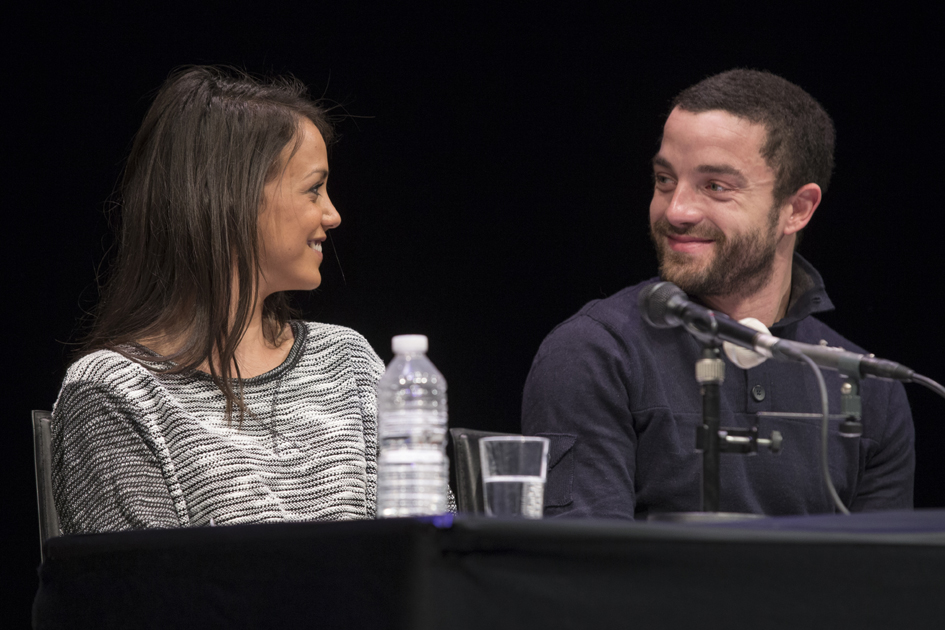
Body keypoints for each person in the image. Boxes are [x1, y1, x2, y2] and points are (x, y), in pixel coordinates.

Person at [521, 69, 914, 520]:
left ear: (796, 208)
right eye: (665, 179)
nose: (676, 210)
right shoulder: (594, 353)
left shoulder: (871, 388)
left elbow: (879, 582)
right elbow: (587, 572)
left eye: (715, 187)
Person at [52, 66, 386, 533]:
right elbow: (139, 597)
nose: (333, 214)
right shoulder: (116, 394)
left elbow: (434, 558)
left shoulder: (349, 363)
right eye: (314, 189)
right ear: (235, 199)